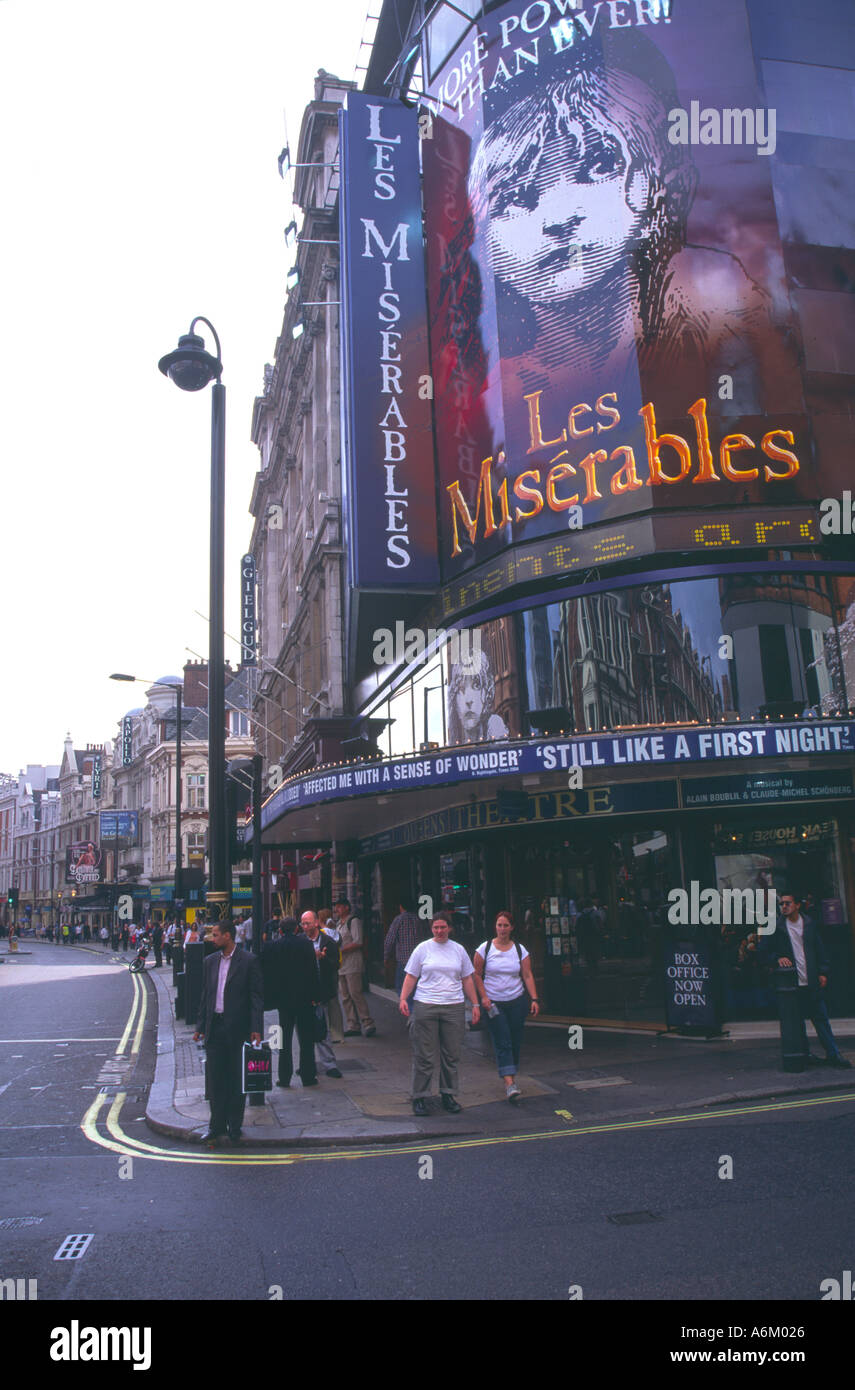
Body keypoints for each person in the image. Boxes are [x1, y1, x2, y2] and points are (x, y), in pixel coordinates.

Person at [399, 914, 481, 1116]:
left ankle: (448, 1095)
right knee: (424, 1056)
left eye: (443, 927)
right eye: (435, 927)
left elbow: (467, 979)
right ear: (431, 928)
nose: (439, 931)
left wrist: (475, 1004)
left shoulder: (458, 950)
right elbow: (411, 975)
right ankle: (419, 1097)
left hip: (453, 1006)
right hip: (425, 1005)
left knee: (451, 1055)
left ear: (450, 928)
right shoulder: (422, 949)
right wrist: (402, 998)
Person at [759, 890, 851, 1068]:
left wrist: (823, 972)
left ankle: (833, 1054)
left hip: (811, 981)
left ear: (797, 905)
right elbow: (763, 951)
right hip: (792, 985)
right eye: (781, 904)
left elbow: (819, 949)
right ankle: (805, 1054)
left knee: (821, 1020)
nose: (784, 907)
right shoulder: (776, 926)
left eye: (787, 903)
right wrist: (776, 958)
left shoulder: (808, 924)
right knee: (797, 1023)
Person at [194, 919, 264, 1144]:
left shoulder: (248, 961)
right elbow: (205, 996)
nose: (212, 939)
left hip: (238, 1028)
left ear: (228, 936)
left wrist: (256, 1028)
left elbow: (256, 998)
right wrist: (200, 1027)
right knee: (216, 1080)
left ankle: (235, 1126)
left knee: (236, 1079)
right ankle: (216, 1126)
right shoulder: (209, 961)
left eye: (215, 935)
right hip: (215, 1027)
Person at [474, 910, 539, 1103]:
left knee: (515, 1040)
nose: (502, 929)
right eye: (499, 925)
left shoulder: (520, 950)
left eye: (506, 925)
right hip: (493, 1003)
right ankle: (509, 1083)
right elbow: (476, 974)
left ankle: (510, 1073)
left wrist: (534, 999)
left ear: (512, 928)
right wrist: (483, 998)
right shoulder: (484, 949)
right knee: (502, 1040)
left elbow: (527, 975)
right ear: (495, 927)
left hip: (517, 1001)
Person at [261, 916, 318, 1088]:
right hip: (304, 998)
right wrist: (315, 995)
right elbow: (312, 972)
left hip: (283, 1000)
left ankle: (284, 1077)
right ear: (296, 929)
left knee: (283, 1040)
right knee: (306, 1039)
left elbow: (267, 974)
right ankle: (308, 1076)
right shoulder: (306, 945)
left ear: (279, 930)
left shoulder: (272, 947)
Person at [299, 910, 343, 1078]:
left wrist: (322, 959)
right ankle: (307, 1065)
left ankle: (329, 1064)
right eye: (303, 923)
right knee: (305, 1031)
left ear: (316, 923)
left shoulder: (328, 942)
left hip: (321, 991)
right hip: (304, 993)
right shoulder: (301, 941)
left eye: (308, 923)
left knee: (322, 1029)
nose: (305, 926)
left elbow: (335, 965)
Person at [334, 898, 376, 1037]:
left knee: (355, 993)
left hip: (352, 963)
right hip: (341, 965)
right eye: (337, 907)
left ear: (346, 907)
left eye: (340, 907)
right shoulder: (338, 924)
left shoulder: (354, 921)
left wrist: (341, 950)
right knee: (345, 996)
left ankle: (368, 1022)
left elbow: (358, 941)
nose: (337, 909)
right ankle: (353, 1025)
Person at [384, 898, 423, 994]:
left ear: (401, 907)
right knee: (417, 989)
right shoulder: (418, 919)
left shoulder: (398, 919)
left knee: (403, 990)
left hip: (404, 961)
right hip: (418, 960)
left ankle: (408, 1007)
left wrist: (386, 956)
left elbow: (390, 940)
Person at [318, 911, 344, 1043]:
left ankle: (323, 1032)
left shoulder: (322, 933)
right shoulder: (336, 933)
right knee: (334, 1001)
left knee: (322, 1003)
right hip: (335, 968)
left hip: (323, 971)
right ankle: (338, 1035)